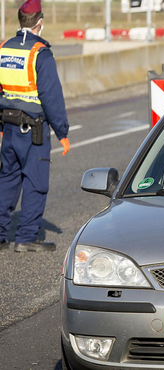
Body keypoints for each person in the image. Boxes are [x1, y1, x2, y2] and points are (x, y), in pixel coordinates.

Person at [0, 0, 70, 253]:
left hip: (8, 127)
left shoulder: (4, 48)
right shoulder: (41, 53)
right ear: (40, 21)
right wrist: (62, 132)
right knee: (35, 182)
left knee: (6, 180)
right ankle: (27, 237)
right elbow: (51, 97)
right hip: (34, 132)